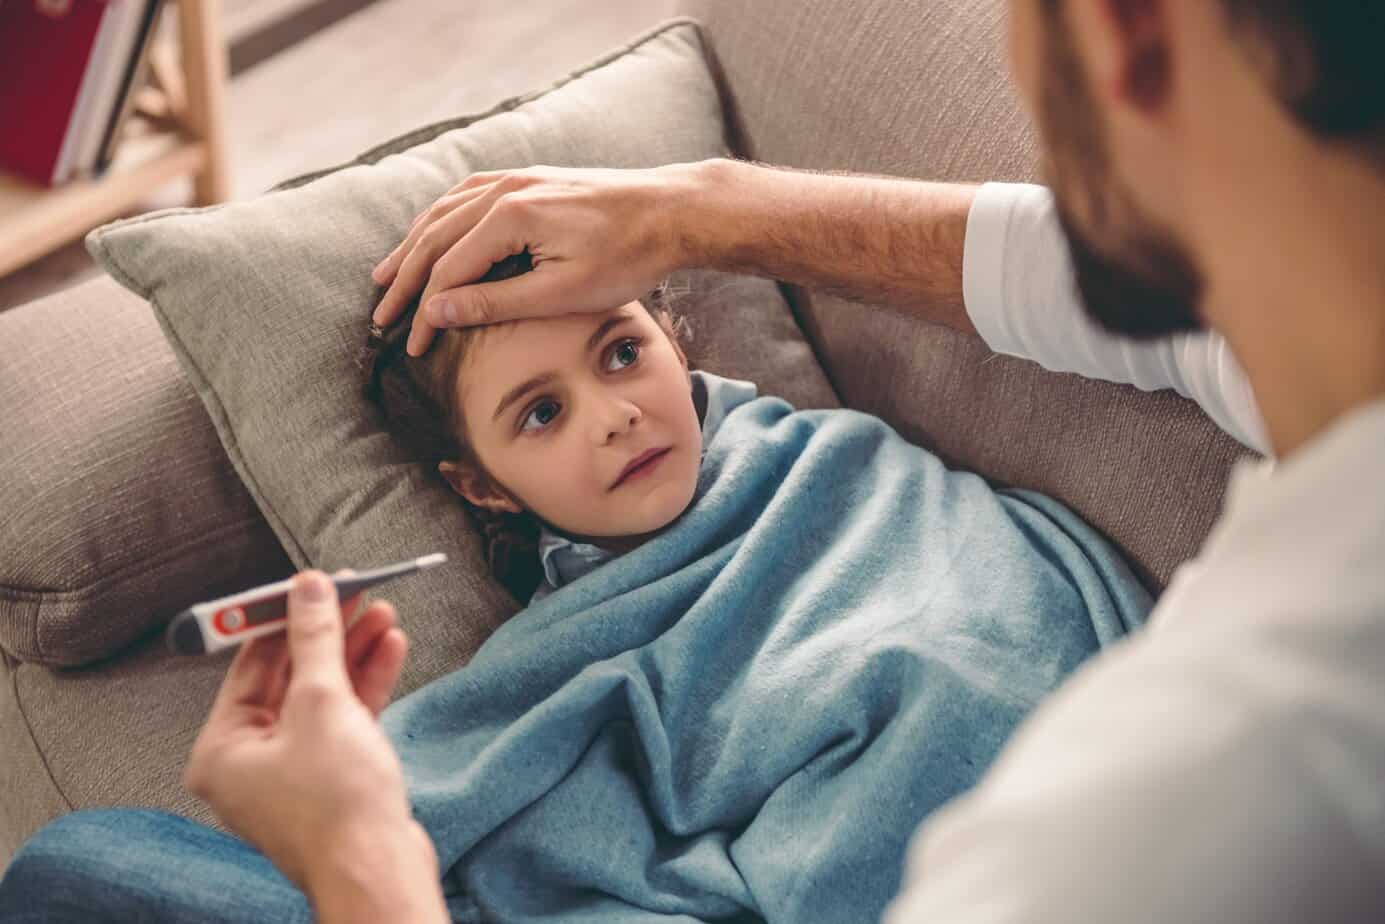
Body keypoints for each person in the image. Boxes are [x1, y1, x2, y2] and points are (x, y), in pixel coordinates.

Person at [3, 0, 1381, 920]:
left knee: (79, 873)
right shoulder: (1273, 354)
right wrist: (698, 203)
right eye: (536, 413)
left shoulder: (1192, 805)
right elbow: (1080, 280)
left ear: (1125, 40)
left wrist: (362, 858)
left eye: (617, 354)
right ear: (477, 483)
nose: (609, 413)